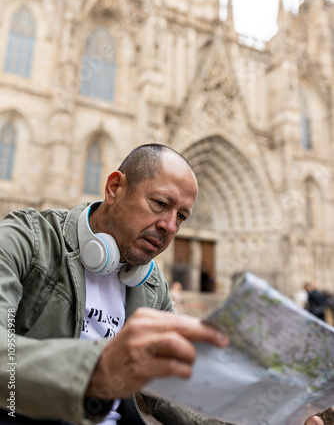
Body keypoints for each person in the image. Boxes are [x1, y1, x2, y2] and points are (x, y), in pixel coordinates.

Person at [0, 143, 325, 425]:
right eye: (159, 204)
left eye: (182, 216)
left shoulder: (150, 284)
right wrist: (98, 369)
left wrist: (267, 417)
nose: (170, 226)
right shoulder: (28, 239)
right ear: (114, 188)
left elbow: (174, 390)